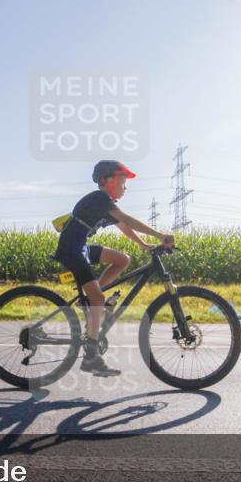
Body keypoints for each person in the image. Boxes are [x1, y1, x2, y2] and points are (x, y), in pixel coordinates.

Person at [54, 160, 175, 377]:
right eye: (122, 181)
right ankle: (91, 358)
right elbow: (127, 218)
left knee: (122, 260)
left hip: (80, 246)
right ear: (106, 180)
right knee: (99, 299)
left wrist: (144, 245)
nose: (125, 187)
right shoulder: (100, 198)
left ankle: (92, 299)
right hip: (72, 249)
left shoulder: (105, 205)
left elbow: (125, 226)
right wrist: (160, 235)